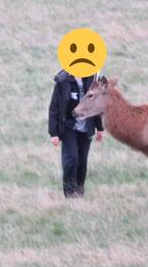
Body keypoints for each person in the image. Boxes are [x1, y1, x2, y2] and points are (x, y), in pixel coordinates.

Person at [48, 70, 104, 198]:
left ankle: (79, 191)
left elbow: (97, 105)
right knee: (71, 159)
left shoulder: (92, 79)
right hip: (69, 128)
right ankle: (69, 193)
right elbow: (54, 108)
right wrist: (54, 133)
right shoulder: (63, 81)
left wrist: (99, 128)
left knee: (82, 162)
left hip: (86, 128)